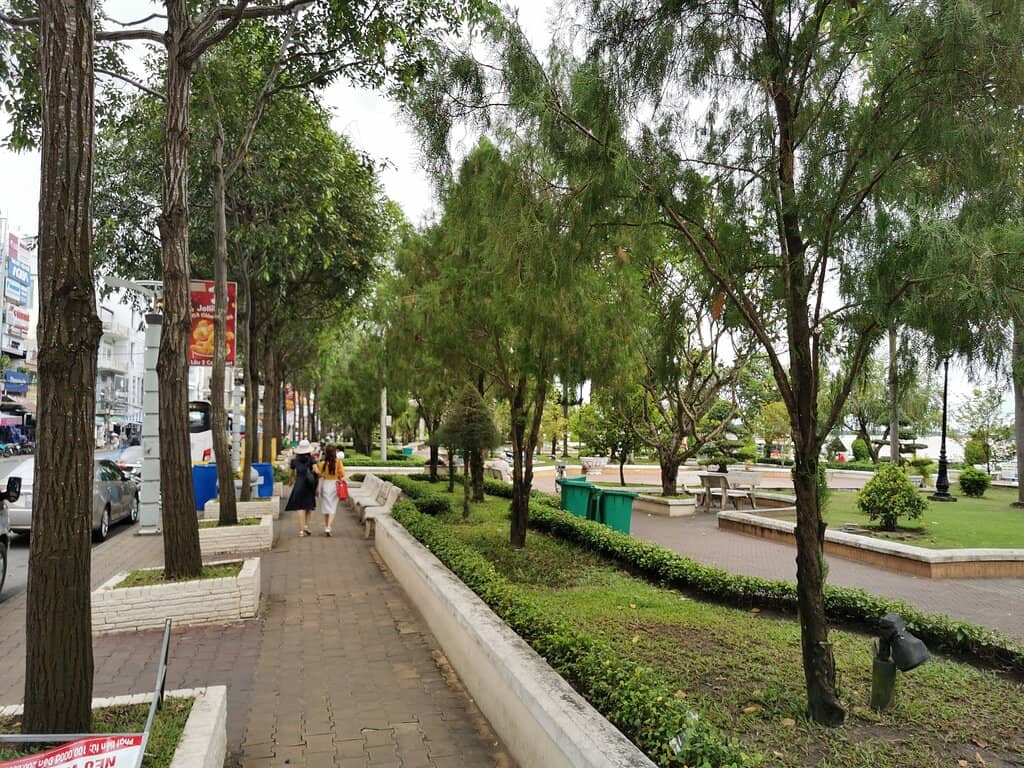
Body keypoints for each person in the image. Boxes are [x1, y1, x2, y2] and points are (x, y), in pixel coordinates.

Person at [285, 439, 317, 536]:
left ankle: (301, 531)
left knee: (300, 508)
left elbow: (290, 474)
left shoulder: (294, 461)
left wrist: (290, 481)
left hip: (299, 484)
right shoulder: (312, 459)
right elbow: (317, 471)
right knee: (309, 507)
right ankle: (306, 525)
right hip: (309, 485)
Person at [314, 444, 345, 537]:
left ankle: (327, 526)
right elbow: (342, 474)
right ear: (334, 452)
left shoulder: (322, 463)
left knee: (326, 507)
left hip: (325, 485)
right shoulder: (338, 462)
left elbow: (318, 474)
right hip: (335, 485)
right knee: (332, 507)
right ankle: (328, 526)